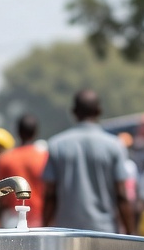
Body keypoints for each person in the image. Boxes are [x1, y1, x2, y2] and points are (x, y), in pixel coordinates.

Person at [41, 90, 134, 234]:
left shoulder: (56, 145)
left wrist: (44, 229)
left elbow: (50, 195)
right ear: (99, 111)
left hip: (66, 233)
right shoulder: (114, 145)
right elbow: (121, 195)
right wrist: (130, 234)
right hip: (104, 232)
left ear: (74, 112)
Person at [0, 115, 48, 227]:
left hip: (13, 218)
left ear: (17, 131)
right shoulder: (45, 157)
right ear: (35, 132)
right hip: (39, 217)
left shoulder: (6, 159)